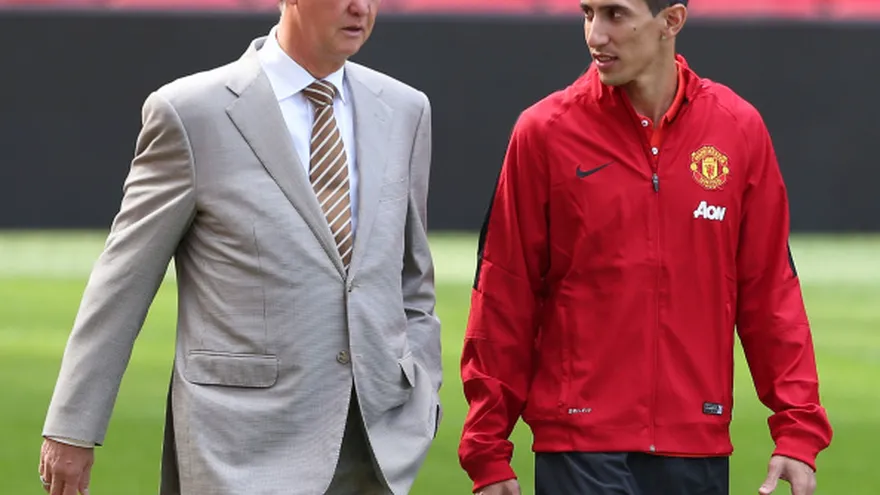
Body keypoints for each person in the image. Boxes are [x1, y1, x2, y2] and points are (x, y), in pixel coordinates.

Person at [38, 0, 442, 494]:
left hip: (378, 446)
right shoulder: (190, 113)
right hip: (240, 448)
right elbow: (121, 282)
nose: (361, 7)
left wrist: (422, 389)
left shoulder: (405, 109)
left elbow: (411, 276)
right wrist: (71, 427)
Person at [458, 0, 832, 494]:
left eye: (615, 14)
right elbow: (505, 296)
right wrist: (487, 449)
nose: (595, 34)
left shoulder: (738, 129)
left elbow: (770, 294)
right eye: (587, 13)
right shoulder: (544, 132)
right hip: (578, 445)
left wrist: (797, 428)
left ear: (671, 21)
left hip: (696, 445)